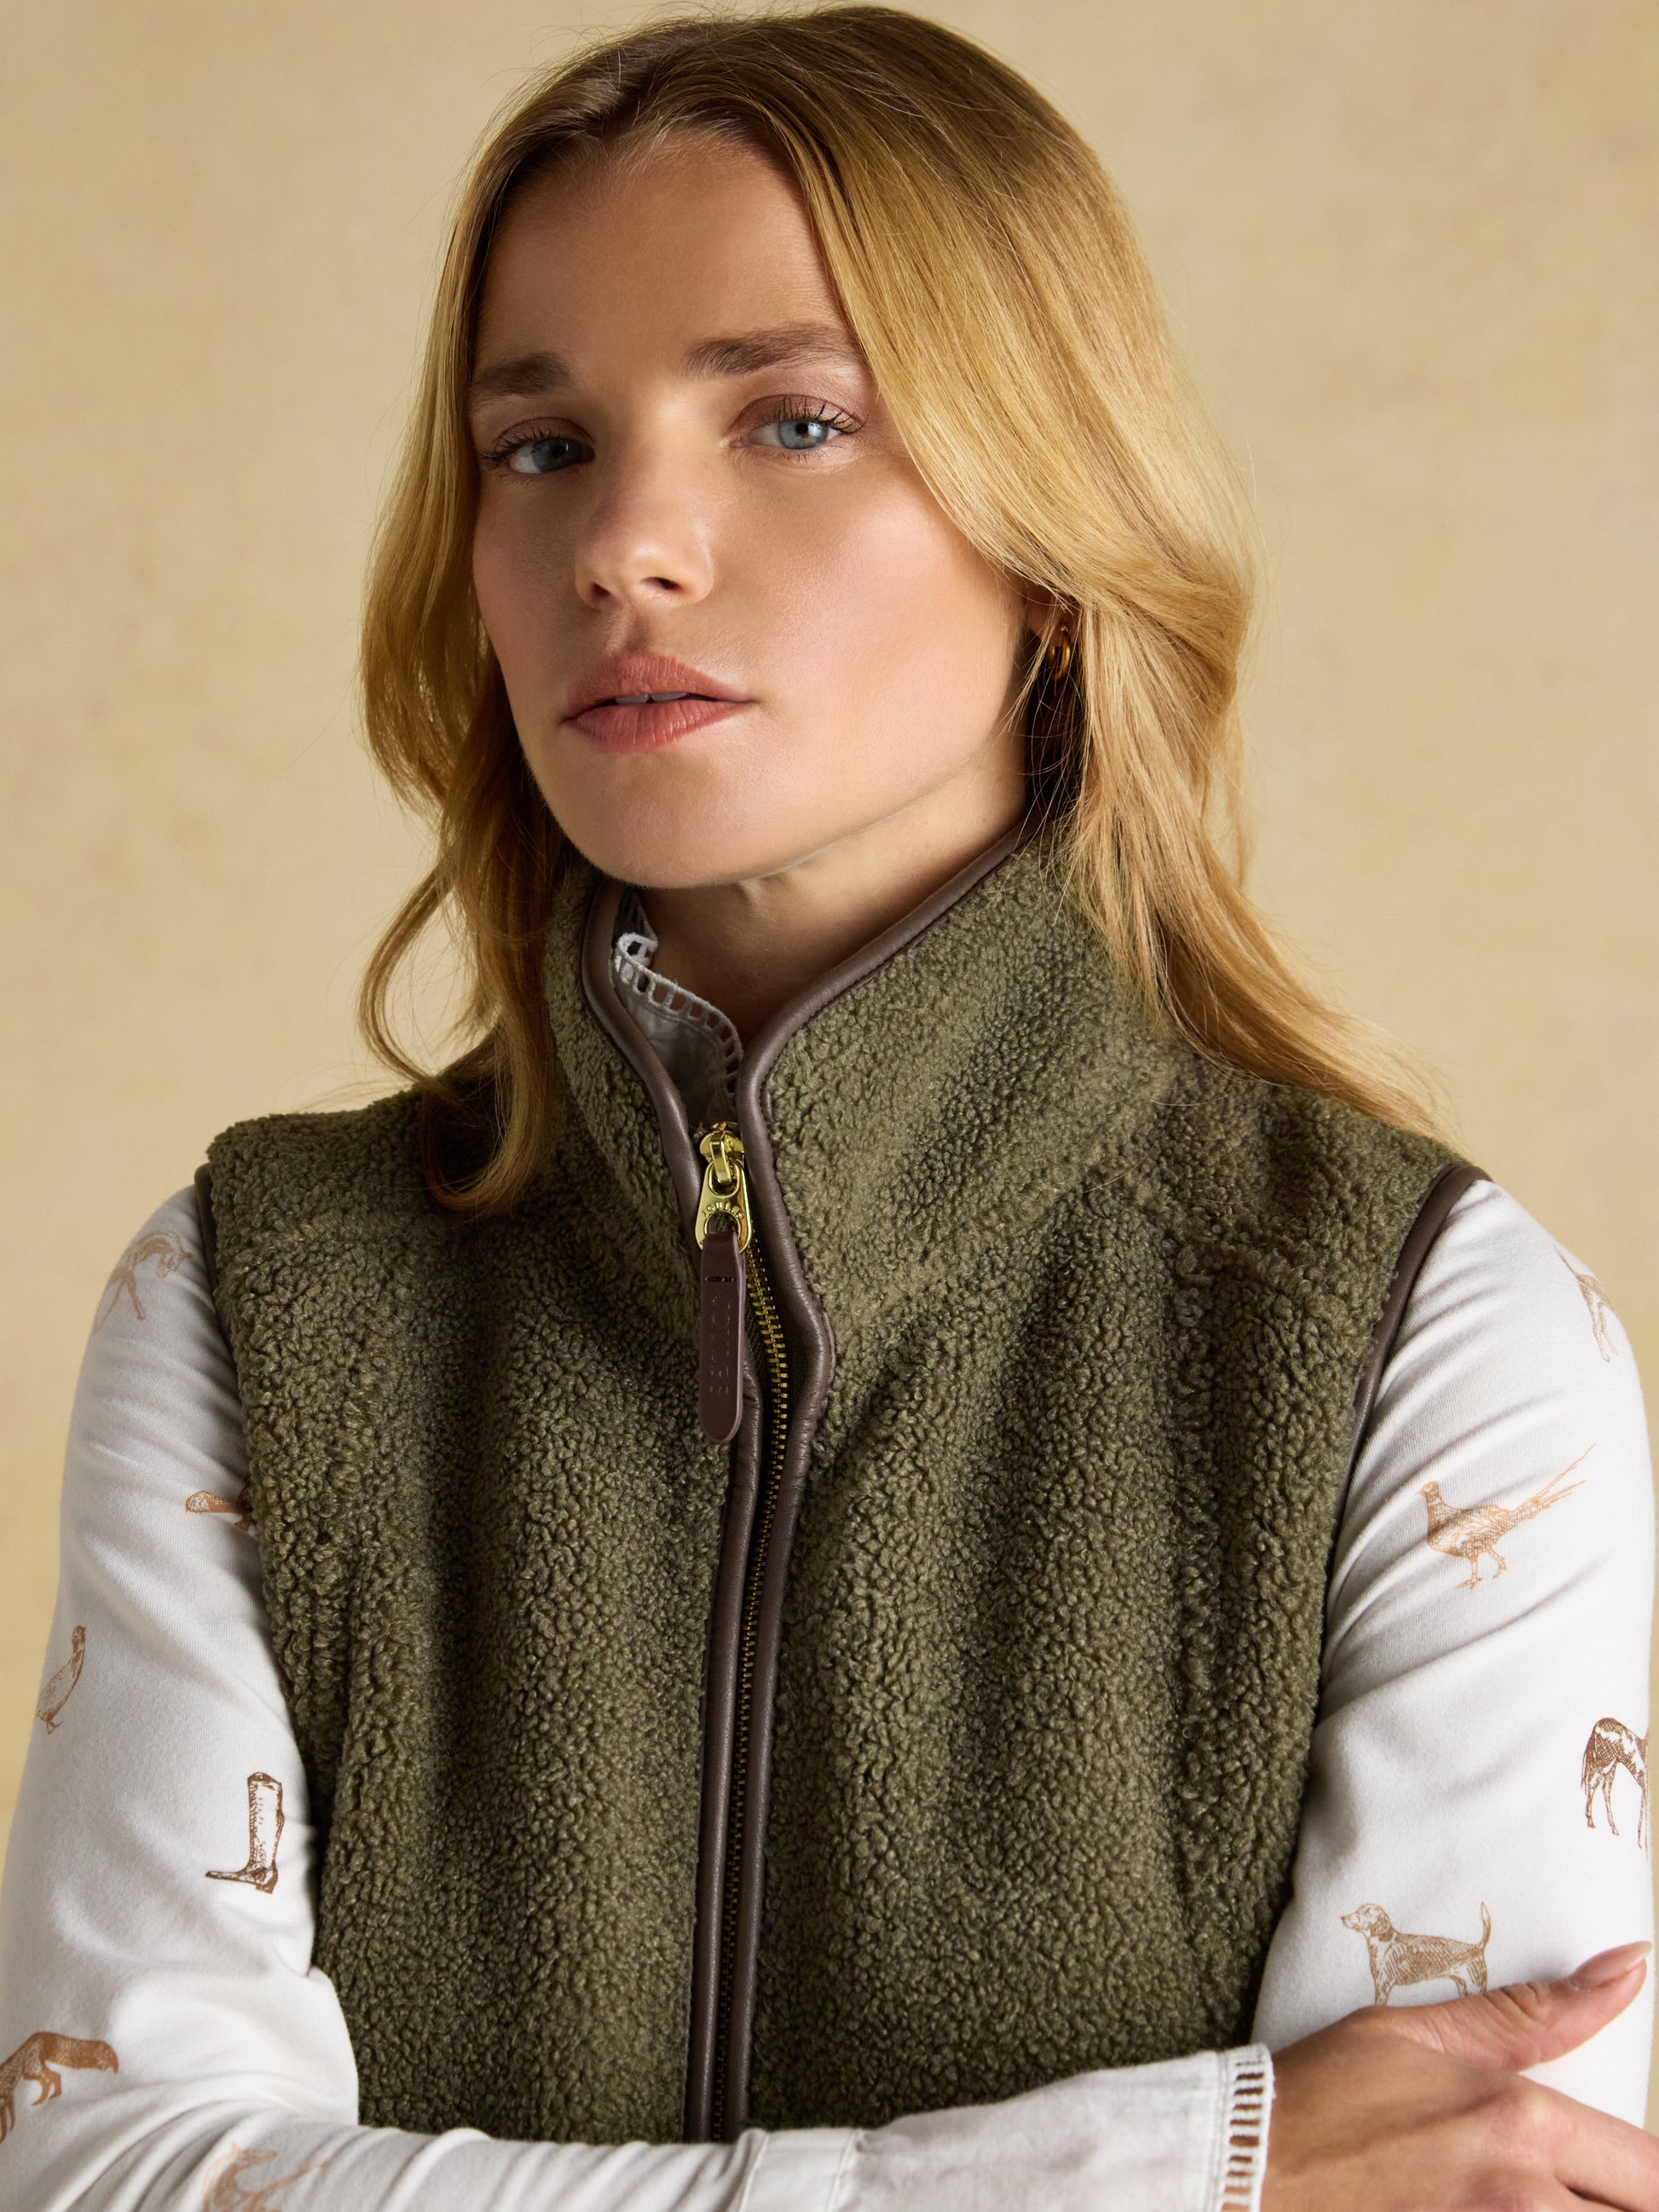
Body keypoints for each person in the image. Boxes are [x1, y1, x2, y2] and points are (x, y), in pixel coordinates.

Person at [1, 9, 1652, 2209]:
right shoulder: (252, 1297)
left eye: (792, 418)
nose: (626, 546)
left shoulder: (1418, 1332)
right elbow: (108, 2169)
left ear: (1053, 521)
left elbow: (1475, 2178)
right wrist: (1178, 2172)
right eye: (539, 446)